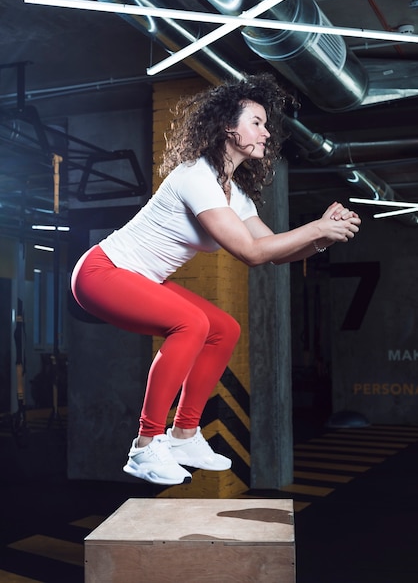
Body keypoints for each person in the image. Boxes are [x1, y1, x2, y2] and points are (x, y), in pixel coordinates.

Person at [71, 73, 361, 486]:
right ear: (229, 127)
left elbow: (271, 251)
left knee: (223, 329)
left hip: (138, 277)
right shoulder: (196, 177)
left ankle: (185, 435)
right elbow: (250, 252)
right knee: (192, 324)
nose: (265, 132)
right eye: (256, 123)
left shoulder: (233, 193)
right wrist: (317, 228)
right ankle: (145, 445)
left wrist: (320, 239)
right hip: (102, 272)